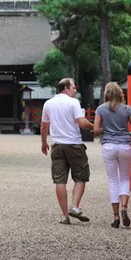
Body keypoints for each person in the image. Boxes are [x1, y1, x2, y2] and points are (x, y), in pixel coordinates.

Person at [41, 78, 94, 224]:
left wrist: (43, 142)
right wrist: (95, 127)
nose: (75, 90)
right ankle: (75, 206)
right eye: (73, 87)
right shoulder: (73, 102)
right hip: (74, 145)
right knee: (80, 176)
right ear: (65, 88)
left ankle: (64, 215)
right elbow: (82, 123)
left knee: (60, 180)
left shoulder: (48, 103)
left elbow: (44, 125)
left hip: (57, 145)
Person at [92, 82, 131, 229]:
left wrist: (106, 130)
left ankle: (116, 217)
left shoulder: (101, 109)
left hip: (109, 146)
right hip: (125, 145)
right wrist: (127, 134)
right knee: (125, 178)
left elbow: (95, 130)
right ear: (120, 93)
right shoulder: (127, 109)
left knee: (113, 180)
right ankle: (124, 208)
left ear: (106, 94)